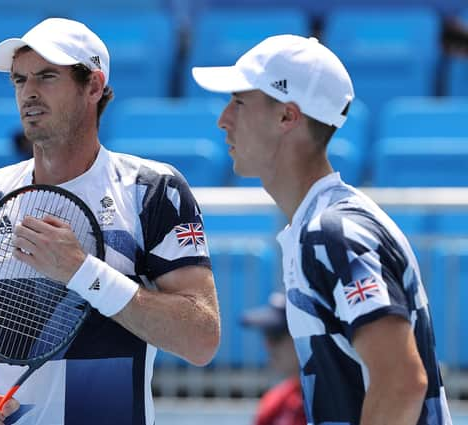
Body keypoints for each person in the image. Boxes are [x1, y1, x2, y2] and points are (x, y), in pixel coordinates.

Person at [0, 17, 220, 425]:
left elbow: (201, 338)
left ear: (94, 86)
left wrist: (82, 271)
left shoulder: (152, 189)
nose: (28, 92)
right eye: (19, 80)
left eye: (47, 77)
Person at [192, 34, 452, 424]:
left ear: (287, 117)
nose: (223, 119)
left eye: (239, 101)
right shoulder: (324, 226)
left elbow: (401, 382)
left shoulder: (333, 232)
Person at [241, 292, 304, 425]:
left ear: (303, 336)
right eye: (266, 335)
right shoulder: (275, 403)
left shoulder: (341, 399)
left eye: (276, 335)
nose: (267, 346)